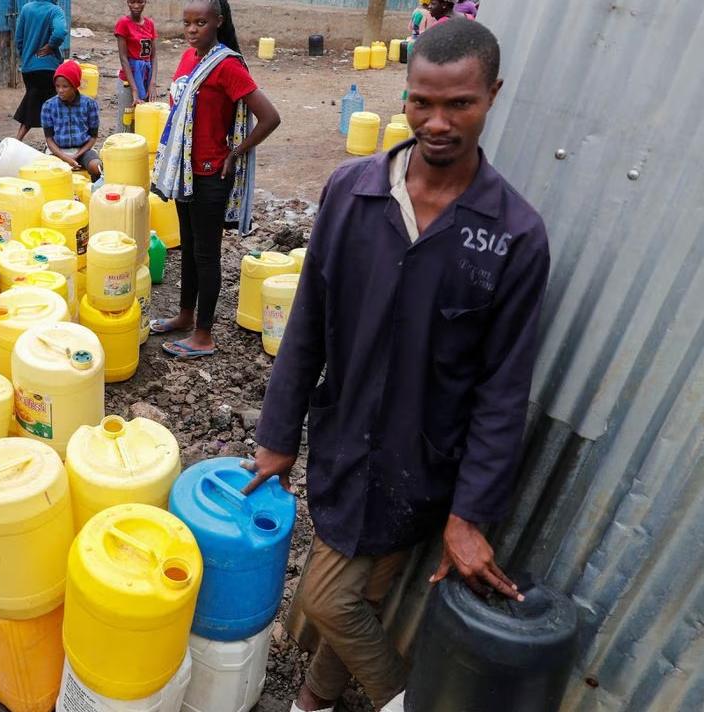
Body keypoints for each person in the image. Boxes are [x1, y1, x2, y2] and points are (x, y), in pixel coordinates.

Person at [241, 20, 550, 712]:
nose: (437, 122)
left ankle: (397, 701)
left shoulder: (513, 236)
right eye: (421, 102)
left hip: (423, 466)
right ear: (405, 95)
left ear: (493, 96)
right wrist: (278, 434)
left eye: (459, 104)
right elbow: (309, 328)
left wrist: (470, 513)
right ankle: (315, 702)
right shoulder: (353, 194)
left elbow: (504, 390)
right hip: (346, 444)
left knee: (333, 598)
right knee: (345, 599)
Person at [149, 0, 280, 359]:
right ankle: (185, 316)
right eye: (187, 23)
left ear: (218, 23)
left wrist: (234, 153)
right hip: (185, 173)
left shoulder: (227, 65)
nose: (192, 30)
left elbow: (270, 117)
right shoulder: (190, 58)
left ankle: (204, 335)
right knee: (189, 249)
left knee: (206, 255)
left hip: (211, 175)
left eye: (201, 23)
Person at [13, 0, 68, 141]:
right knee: (51, 107)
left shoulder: (26, 9)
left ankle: (18, 140)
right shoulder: (55, 11)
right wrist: (50, 47)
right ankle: (54, 144)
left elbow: (18, 39)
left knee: (33, 102)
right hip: (48, 69)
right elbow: (60, 32)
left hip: (29, 69)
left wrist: (26, 55)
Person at [42, 61, 102, 180]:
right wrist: (65, 158)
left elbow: (93, 137)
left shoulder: (90, 104)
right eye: (57, 86)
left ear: (75, 86)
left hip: (82, 150)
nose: (60, 90)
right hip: (57, 151)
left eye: (65, 86)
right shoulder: (48, 106)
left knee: (96, 167)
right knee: (48, 172)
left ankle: (93, 191)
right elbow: (49, 139)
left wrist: (76, 156)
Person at [115, 0, 158, 132]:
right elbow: (123, 58)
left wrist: (152, 83)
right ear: (127, 2)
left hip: (145, 79)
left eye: (140, 2)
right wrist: (134, 90)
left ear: (146, 2)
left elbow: (154, 56)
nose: (136, 6)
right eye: (132, 2)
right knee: (126, 123)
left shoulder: (150, 24)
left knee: (143, 122)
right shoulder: (123, 23)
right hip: (129, 81)